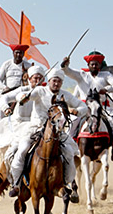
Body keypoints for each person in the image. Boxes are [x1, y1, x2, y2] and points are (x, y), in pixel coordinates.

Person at [9, 69, 87, 198]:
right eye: (54, 81)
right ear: (49, 81)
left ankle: (66, 183)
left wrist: (76, 111)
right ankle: (16, 184)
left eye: (59, 81)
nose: (56, 84)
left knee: (69, 153)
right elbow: (23, 96)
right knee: (22, 150)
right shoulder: (40, 91)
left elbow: (83, 107)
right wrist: (23, 98)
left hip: (57, 132)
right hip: (36, 128)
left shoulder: (66, 95)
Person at [62, 52, 113, 161]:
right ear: (88, 65)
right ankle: (69, 146)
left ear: (100, 65)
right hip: (84, 107)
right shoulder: (81, 75)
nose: (94, 66)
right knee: (73, 120)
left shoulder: (106, 75)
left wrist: (107, 89)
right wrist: (65, 65)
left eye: (96, 64)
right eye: (92, 64)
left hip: (102, 107)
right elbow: (68, 72)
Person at [0, 65, 45, 186]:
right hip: (19, 128)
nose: (37, 80)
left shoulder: (45, 92)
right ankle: (14, 180)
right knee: (13, 152)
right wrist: (6, 108)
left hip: (39, 127)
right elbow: (4, 97)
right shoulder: (22, 90)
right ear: (29, 79)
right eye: (35, 78)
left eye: (40, 78)